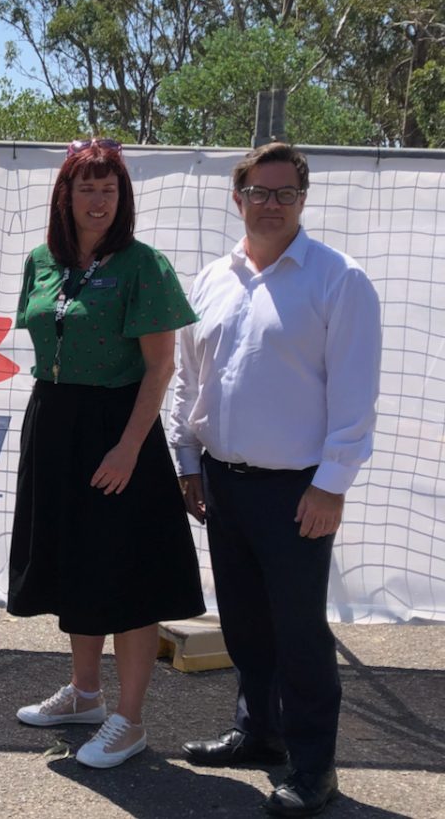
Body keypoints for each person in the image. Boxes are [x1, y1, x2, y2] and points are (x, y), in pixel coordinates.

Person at [170, 142, 382, 817]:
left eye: (284, 193)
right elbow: (188, 382)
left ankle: (315, 768)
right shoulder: (211, 279)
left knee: (299, 637)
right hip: (222, 485)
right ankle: (259, 733)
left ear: (303, 199)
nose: (270, 204)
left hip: (297, 495)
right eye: (258, 192)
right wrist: (187, 464)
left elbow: (355, 398)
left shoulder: (338, 280)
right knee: (245, 627)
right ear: (238, 198)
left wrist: (331, 486)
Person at [7, 139, 205, 768]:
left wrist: (127, 448)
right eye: (86, 187)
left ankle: (130, 719)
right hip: (55, 420)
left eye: (109, 189)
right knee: (75, 565)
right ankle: (86, 694)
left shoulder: (144, 264)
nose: (98, 200)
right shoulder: (42, 260)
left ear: (123, 199)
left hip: (120, 429)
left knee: (128, 576)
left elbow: (161, 367)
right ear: (63, 195)